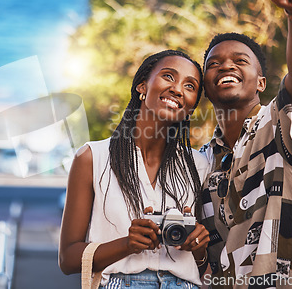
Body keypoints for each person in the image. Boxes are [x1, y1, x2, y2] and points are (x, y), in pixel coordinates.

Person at [199, 0, 292, 288]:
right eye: (214, 63)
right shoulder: (200, 164)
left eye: (240, 61)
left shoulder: (281, 126)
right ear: (205, 87)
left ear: (261, 82)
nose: (225, 64)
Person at [59, 50, 210, 288]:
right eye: (169, 77)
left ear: (191, 107)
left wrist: (199, 247)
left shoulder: (199, 165)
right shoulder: (92, 158)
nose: (178, 89)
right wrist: (127, 244)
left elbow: (206, 265)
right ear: (142, 86)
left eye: (190, 86)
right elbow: (67, 259)